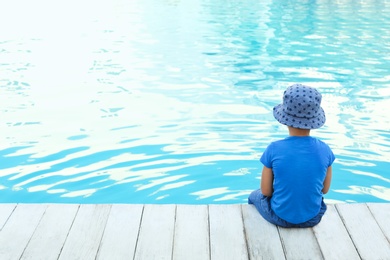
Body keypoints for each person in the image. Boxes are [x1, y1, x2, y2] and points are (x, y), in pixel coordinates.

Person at [248, 84, 335, 228]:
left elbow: (266, 191)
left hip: (279, 216)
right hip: (313, 217)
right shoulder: (325, 150)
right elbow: (324, 190)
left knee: (255, 195)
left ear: (284, 118)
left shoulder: (273, 149)